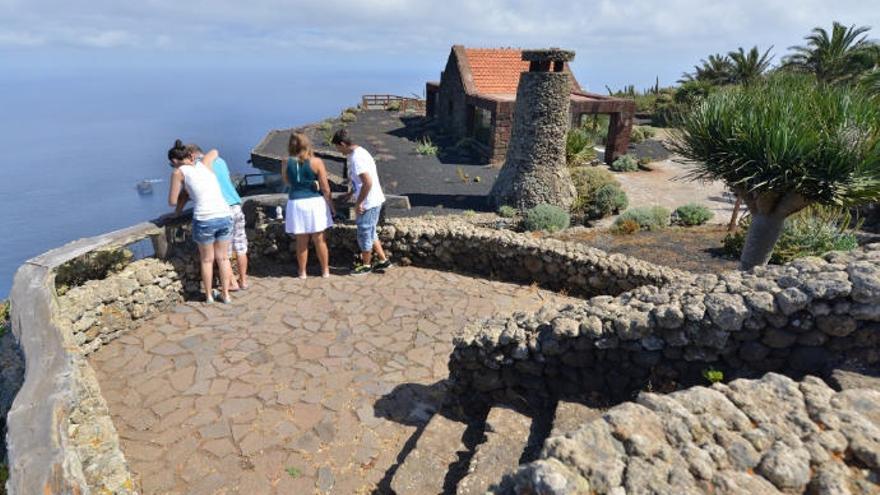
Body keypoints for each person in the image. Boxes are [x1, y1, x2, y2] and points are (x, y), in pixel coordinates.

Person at [167, 139, 234, 303]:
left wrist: (186, 190)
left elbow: (172, 201)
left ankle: (209, 296)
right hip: (224, 214)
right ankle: (226, 295)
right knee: (223, 258)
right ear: (189, 156)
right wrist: (196, 160)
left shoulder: (178, 172)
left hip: (205, 218)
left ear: (175, 161)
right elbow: (214, 151)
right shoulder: (204, 164)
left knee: (207, 260)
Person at [185, 144, 249, 290]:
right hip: (236, 205)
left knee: (223, 254)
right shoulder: (220, 161)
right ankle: (243, 280)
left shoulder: (197, 167)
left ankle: (232, 283)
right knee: (240, 246)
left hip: (221, 209)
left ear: (191, 155)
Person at [331, 129, 391, 275]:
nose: (338, 151)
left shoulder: (357, 158)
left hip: (369, 202)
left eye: (338, 147)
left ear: (343, 144)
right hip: (373, 199)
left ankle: (366, 265)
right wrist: (351, 193)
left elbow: (367, 182)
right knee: (370, 231)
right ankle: (383, 260)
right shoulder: (359, 152)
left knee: (364, 232)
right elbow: (359, 181)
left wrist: (358, 203)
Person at [282, 132, 336, 278]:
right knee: (319, 239)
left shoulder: (286, 161)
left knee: (301, 241)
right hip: (314, 203)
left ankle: (302, 272)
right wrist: (331, 206)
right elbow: (325, 188)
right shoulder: (316, 162)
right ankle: (325, 270)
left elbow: (287, 181)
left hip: (296, 203)